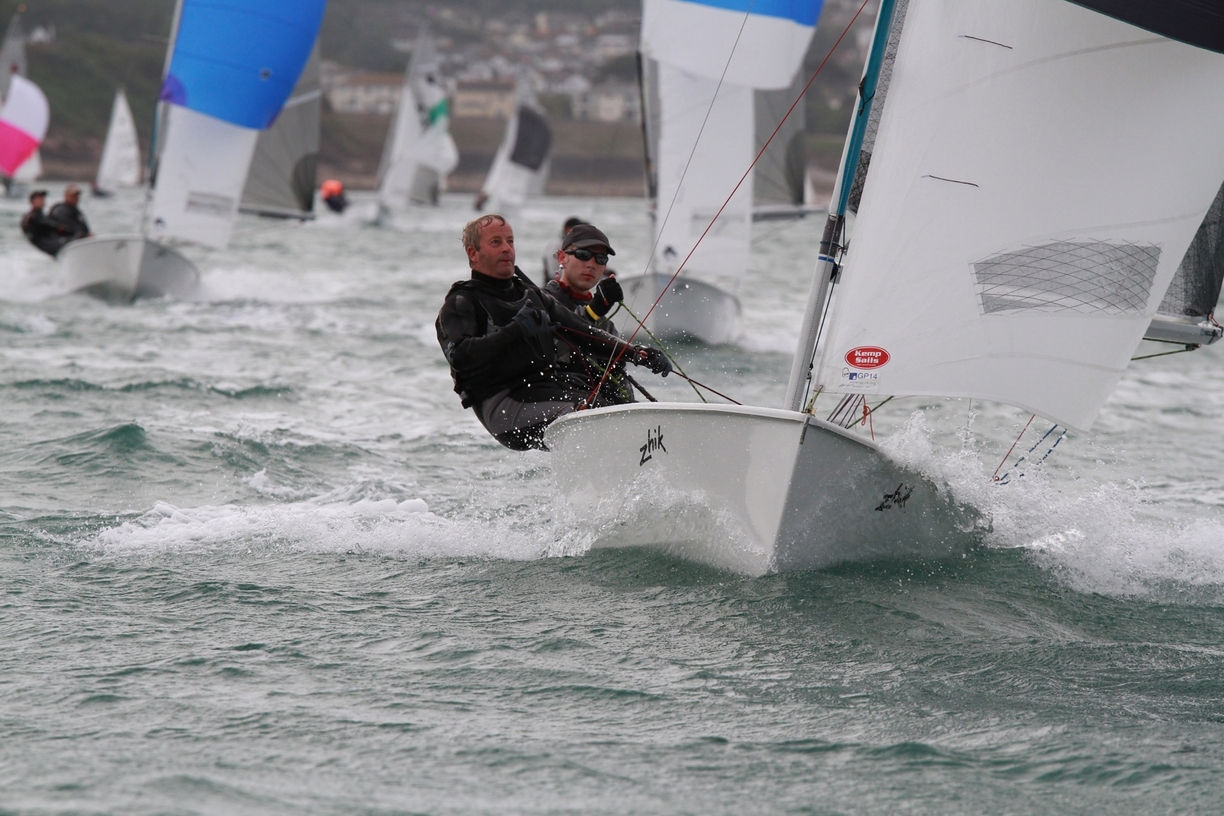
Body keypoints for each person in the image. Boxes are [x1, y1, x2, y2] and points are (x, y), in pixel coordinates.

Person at [436, 214, 672, 451]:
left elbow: (582, 333)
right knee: (591, 416)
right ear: (473, 253)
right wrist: (515, 330)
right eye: (496, 242)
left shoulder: (531, 295)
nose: (507, 249)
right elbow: (460, 356)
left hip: (543, 389)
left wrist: (637, 353)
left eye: (510, 241)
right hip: (503, 403)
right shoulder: (461, 302)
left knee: (616, 409)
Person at [543, 223, 624, 335]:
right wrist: (591, 313)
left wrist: (638, 351)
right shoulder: (540, 303)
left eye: (600, 258)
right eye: (583, 254)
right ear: (562, 258)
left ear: (604, 267)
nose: (591, 264)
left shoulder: (606, 326)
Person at [21, 189, 72, 257]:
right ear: (32, 201)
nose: (42, 200)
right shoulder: (32, 217)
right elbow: (50, 226)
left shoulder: (40, 214)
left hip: (50, 240)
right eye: (39, 199)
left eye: (43, 198)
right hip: (45, 243)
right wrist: (66, 230)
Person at [541, 216, 586, 286]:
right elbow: (554, 273)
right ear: (567, 229)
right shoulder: (558, 245)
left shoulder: (558, 244)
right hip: (556, 288)